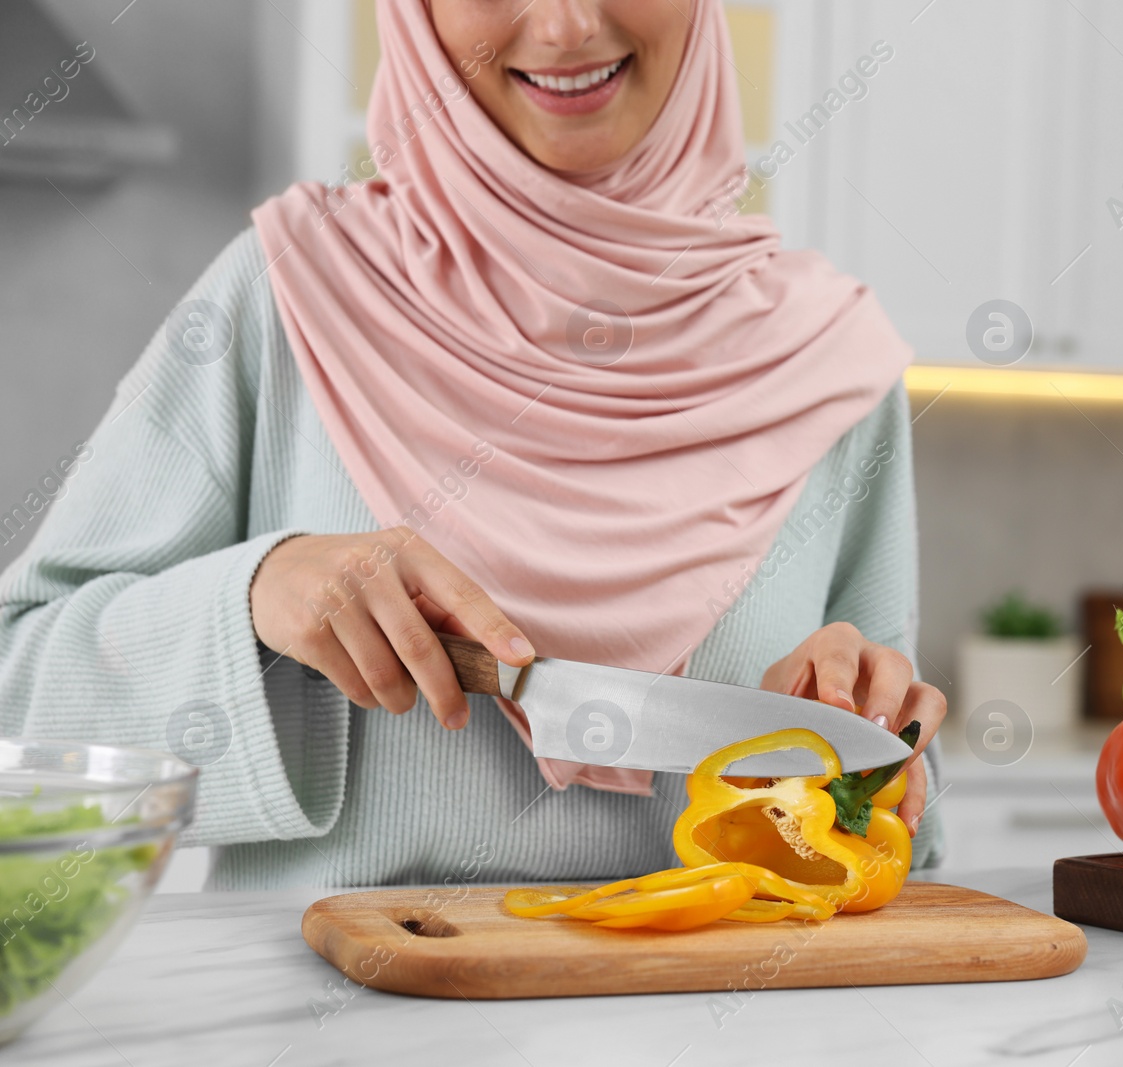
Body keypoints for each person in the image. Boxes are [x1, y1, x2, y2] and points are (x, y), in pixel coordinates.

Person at [0, 0, 944, 889]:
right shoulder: (284, 293)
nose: (568, 25)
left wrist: (876, 742)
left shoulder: (830, 360)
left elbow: (896, 827)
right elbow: (19, 695)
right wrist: (252, 594)